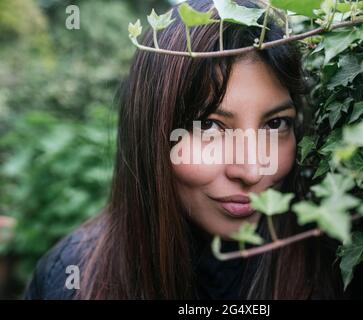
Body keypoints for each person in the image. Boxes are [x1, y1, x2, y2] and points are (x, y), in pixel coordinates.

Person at [24, 0, 343, 300]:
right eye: (208, 125)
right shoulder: (72, 279)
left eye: (275, 124)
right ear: (151, 133)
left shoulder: (336, 264)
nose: (251, 171)